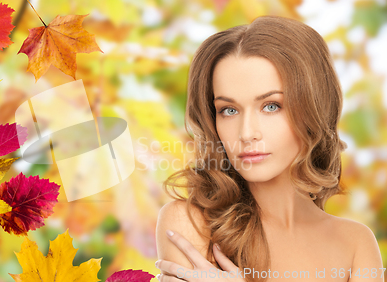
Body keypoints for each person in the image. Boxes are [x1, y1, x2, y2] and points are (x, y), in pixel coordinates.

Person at [154, 15, 383, 282]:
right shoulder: (190, 223)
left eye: (271, 106)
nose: (247, 133)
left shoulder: (355, 243)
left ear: (314, 108)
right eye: (228, 110)